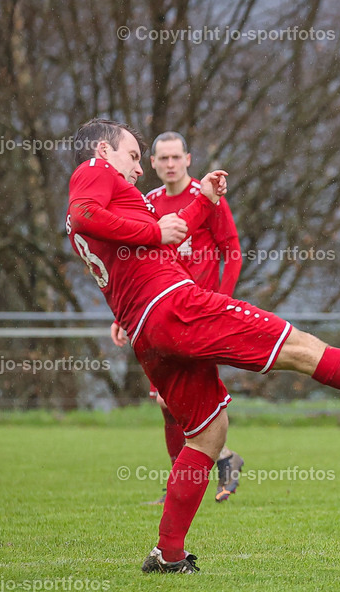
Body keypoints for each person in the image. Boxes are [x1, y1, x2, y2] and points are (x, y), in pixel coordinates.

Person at [67, 118, 340, 574]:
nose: (139, 169)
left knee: (208, 435)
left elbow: (163, 238)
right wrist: (158, 233)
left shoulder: (120, 198)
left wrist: (203, 201)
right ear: (101, 150)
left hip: (148, 332)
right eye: (134, 156)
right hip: (177, 307)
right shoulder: (94, 171)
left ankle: (168, 554)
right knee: (304, 349)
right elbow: (88, 214)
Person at [117, 130, 245, 505]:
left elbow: (231, 249)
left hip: (199, 313)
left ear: (188, 159)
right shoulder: (149, 202)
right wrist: (125, 313)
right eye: (163, 159)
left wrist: (221, 300)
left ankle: (202, 470)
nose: (170, 164)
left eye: (177, 157)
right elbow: (139, 262)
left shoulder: (205, 197)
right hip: (160, 314)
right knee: (169, 400)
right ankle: (217, 462)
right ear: (152, 164)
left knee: (174, 398)